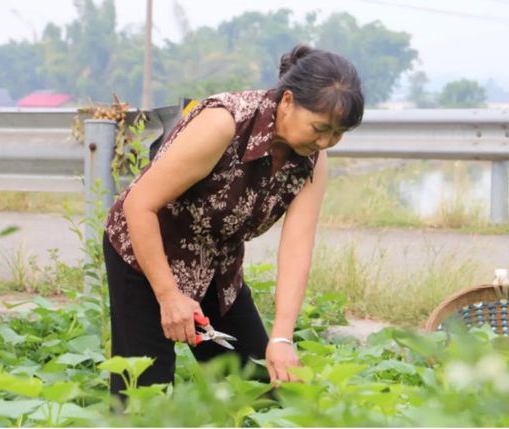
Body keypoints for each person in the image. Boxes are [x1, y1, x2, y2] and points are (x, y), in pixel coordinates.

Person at [102, 44, 364, 397]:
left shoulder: (313, 159)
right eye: (319, 128)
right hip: (147, 250)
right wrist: (169, 295)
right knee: (144, 395)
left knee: (261, 385)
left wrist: (282, 338)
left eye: (336, 133)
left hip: (215, 265)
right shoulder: (224, 122)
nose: (325, 141)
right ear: (287, 101)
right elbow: (139, 205)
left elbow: (297, 248)